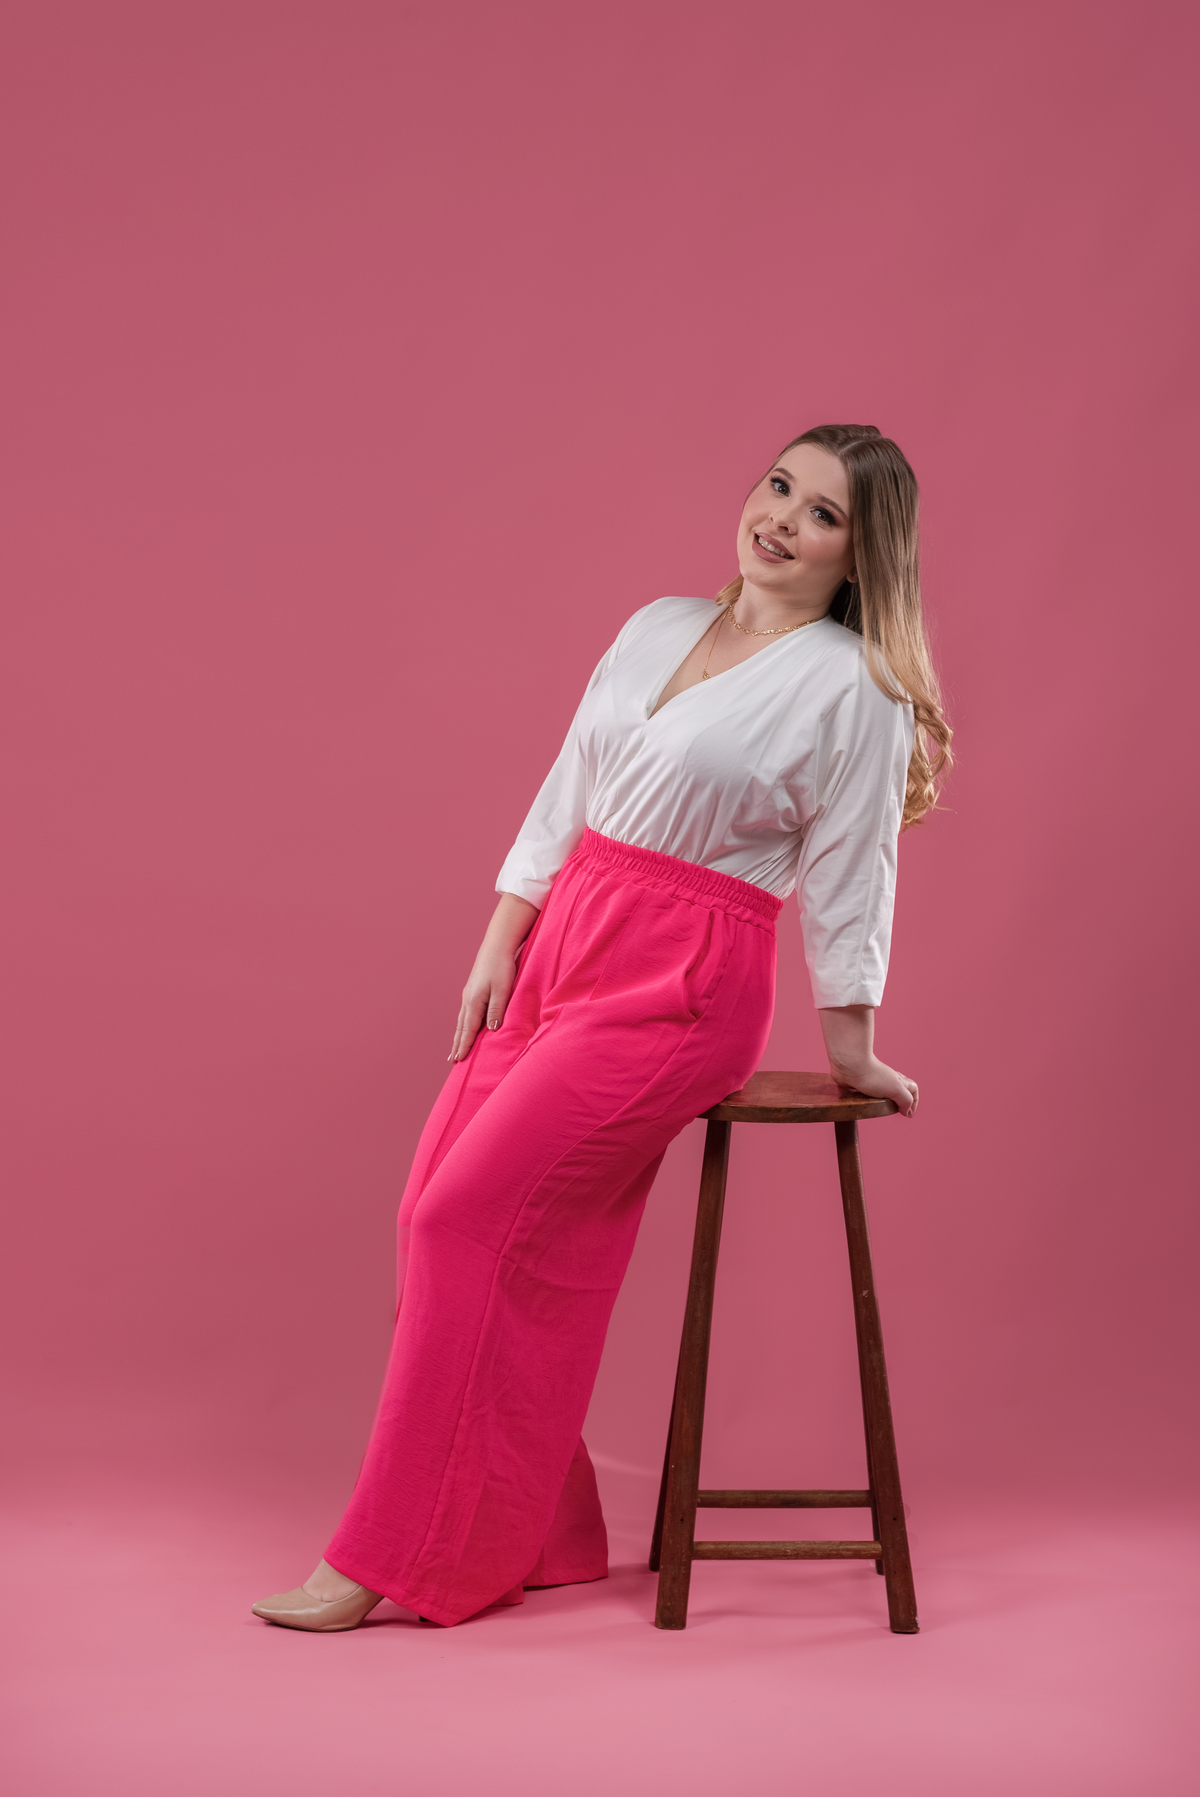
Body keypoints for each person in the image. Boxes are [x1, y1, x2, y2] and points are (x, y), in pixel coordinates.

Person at [251, 422, 952, 1632]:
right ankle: (545, 1533)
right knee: (428, 1212)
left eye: (823, 514)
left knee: (463, 1219)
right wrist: (502, 937)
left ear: (860, 555)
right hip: (564, 935)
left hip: (683, 979)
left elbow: (854, 875)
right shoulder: (658, 625)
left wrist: (851, 1046)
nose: (782, 518)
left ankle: (386, 1558)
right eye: (779, 485)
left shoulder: (854, 689)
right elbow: (568, 786)